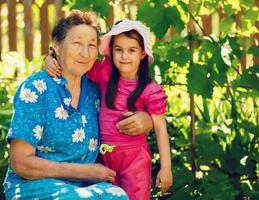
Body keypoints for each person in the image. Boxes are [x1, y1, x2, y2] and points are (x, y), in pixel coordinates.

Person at [3, 11, 153, 200]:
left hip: (84, 187)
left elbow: (133, 94)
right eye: (77, 43)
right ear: (56, 46)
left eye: (91, 45)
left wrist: (147, 120)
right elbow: (20, 163)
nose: (85, 52)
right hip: (34, 185)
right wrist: (85, 172)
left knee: (118, 196)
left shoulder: (97, 89)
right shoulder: (36, 89)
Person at [46, 19, 173, 200]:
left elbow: (161, 129)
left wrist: (166, 168)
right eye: (118, 49)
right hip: (104, 156)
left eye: (132, 50)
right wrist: (50, 58)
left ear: (143, 53)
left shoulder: (150, 90)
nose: (124, 56)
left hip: (135, 159)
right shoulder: (104, 73)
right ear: (111, 51)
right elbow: (75, 64)